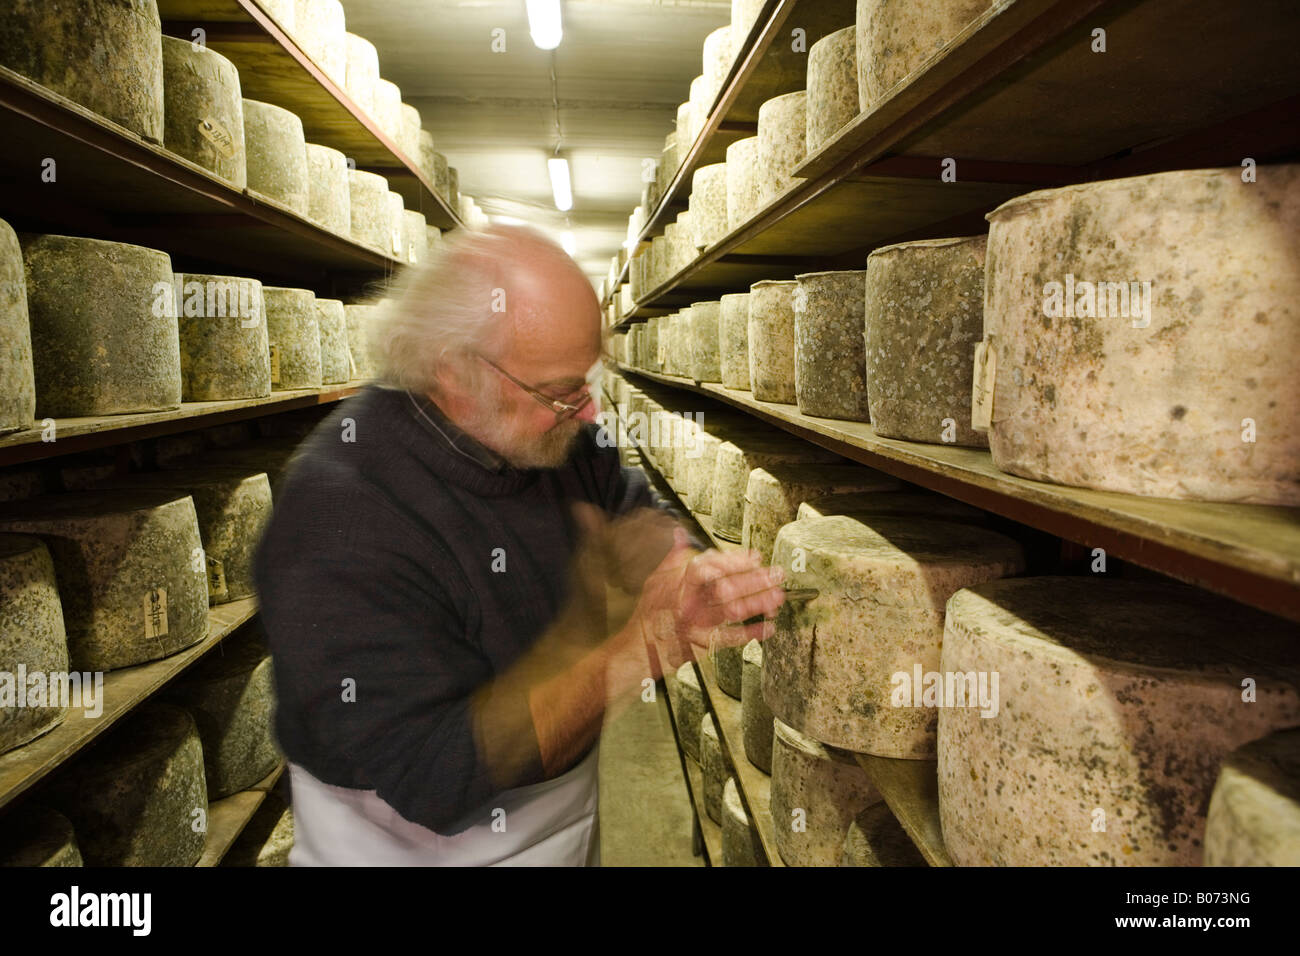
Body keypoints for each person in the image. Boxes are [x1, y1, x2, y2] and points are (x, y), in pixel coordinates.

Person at [254, 224, 786, 866]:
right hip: (407, 845)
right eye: (562, 391)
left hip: (559, 806)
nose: (588, 413)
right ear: (453, 367)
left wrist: (690, 572)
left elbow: (627, 506)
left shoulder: (557, 436)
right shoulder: (340, 508)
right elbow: (435, 775)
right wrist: (647, 641)